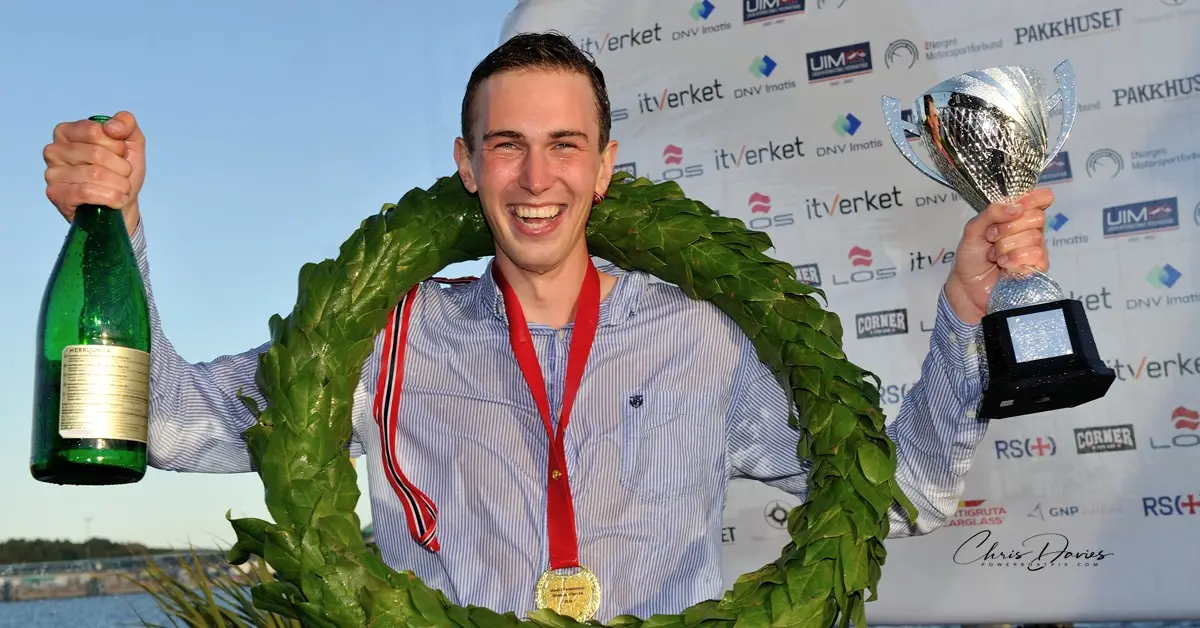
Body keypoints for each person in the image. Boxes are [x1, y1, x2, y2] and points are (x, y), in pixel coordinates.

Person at [41, 32, 1052, 622]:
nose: (537, 177)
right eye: (507, 145)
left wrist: (966, 312)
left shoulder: (701, 340)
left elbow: (907, 494)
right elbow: (168, 423)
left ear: (605, 167)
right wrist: (116, 227)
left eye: (566, 145)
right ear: (466, 164)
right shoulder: (384, 339)